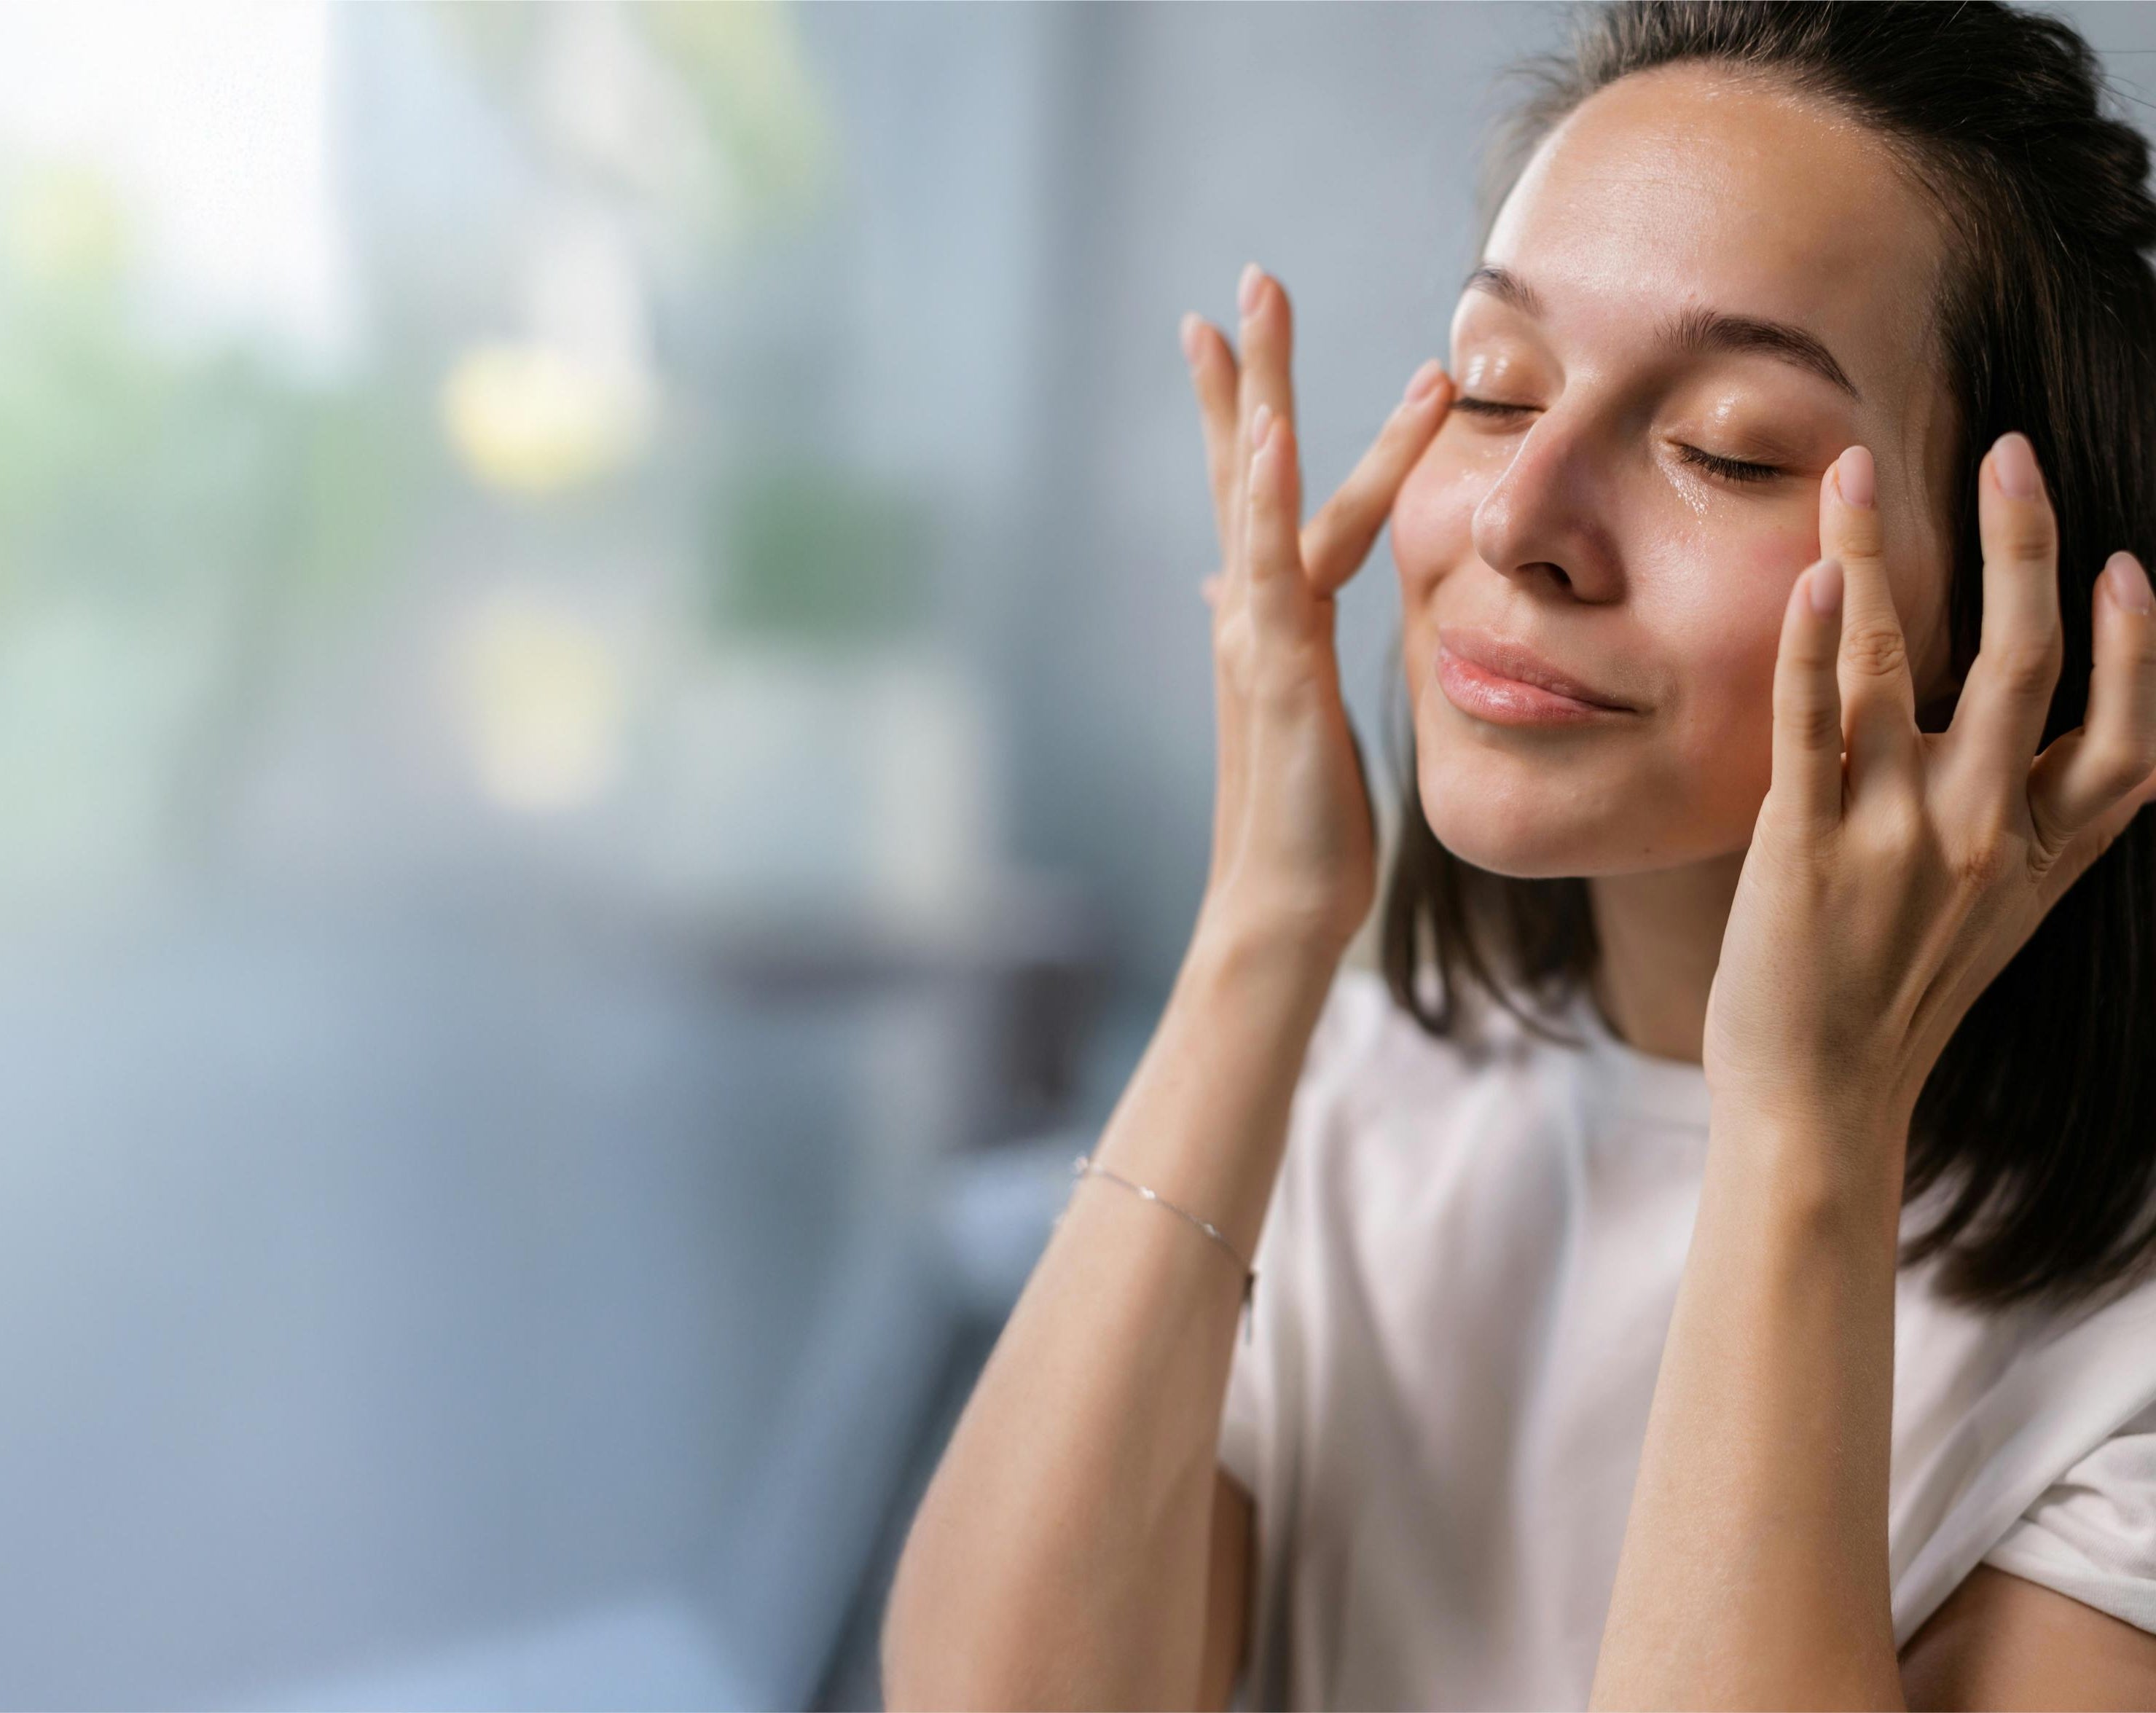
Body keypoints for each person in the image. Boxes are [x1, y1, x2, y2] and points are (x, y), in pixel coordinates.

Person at [878, 2, 2156, 1707]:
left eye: (1725, 447)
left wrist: (1798, 1132)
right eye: (1495, 388)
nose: (1517, 514)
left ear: (2007, 632)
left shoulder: (2116, 1344)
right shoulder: (1369, 1105)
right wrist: (1265, 932)